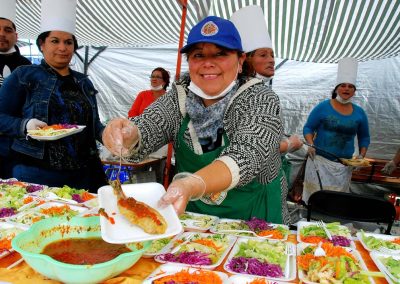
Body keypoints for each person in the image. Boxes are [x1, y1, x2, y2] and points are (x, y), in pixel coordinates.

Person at [103, 16, 287, 224]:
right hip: (194, 215)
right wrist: (128, 133)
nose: (208, 63)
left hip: (255, 214)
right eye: (198, 55)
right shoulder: (179, 96)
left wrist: (192, 184)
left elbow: (247, 155)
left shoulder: (260, 98)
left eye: (220, 54)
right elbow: (150, 126)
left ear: (241, 61)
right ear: (189, 62)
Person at [0, 0, 107, 192]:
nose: (63, 48)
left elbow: (94, 125)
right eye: (55, 41)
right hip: (36, 172)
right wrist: (25, 125)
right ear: (42, 44)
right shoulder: (24, 76)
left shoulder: (84, 82)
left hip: (83, 173)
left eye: (68, 42)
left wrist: (107, 134)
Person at [231, 6, 302, 214]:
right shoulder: (244, 93)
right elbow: (248, 147)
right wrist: (289, 144)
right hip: (251, 183)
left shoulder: (262, 90)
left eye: (272, 55)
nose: (271, 59)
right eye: (263, 55)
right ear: (246, 60)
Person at [302, 57, 370, 203]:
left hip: (343, 166)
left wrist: (361, 156)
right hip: (319, 162)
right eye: (343, 85)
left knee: (336, 202)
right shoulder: (323, 107)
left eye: (350, 86)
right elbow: (308, 127)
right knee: (316, 200)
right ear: (336, 88)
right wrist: (310, 144)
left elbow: (364, 137)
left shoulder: (359, 113)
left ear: (354, 90)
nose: (346, 89)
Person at [0, 0, 32, 178]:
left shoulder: (26, 67)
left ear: (16, 36)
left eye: (7, 30)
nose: (2, 34)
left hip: (16, 143)